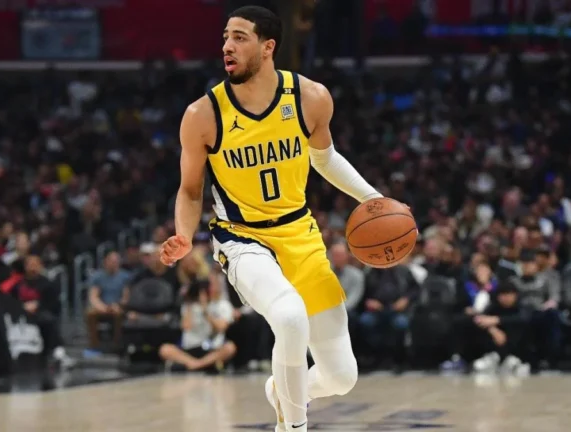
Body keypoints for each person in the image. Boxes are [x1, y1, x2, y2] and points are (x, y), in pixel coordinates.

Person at [160, 6, 405, 431]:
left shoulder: (310, 97)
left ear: (268, 46)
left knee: (341, 377)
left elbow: (325, 158)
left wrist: (374, 199)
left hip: (300, 234)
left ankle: (284, 390)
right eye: (225, 37)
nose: (227, 46)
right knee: (289, 316)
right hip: (242, 238)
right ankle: (292, 426)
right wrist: (184, 234)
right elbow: (190, 189)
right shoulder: (203, 115)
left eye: (240, 37)